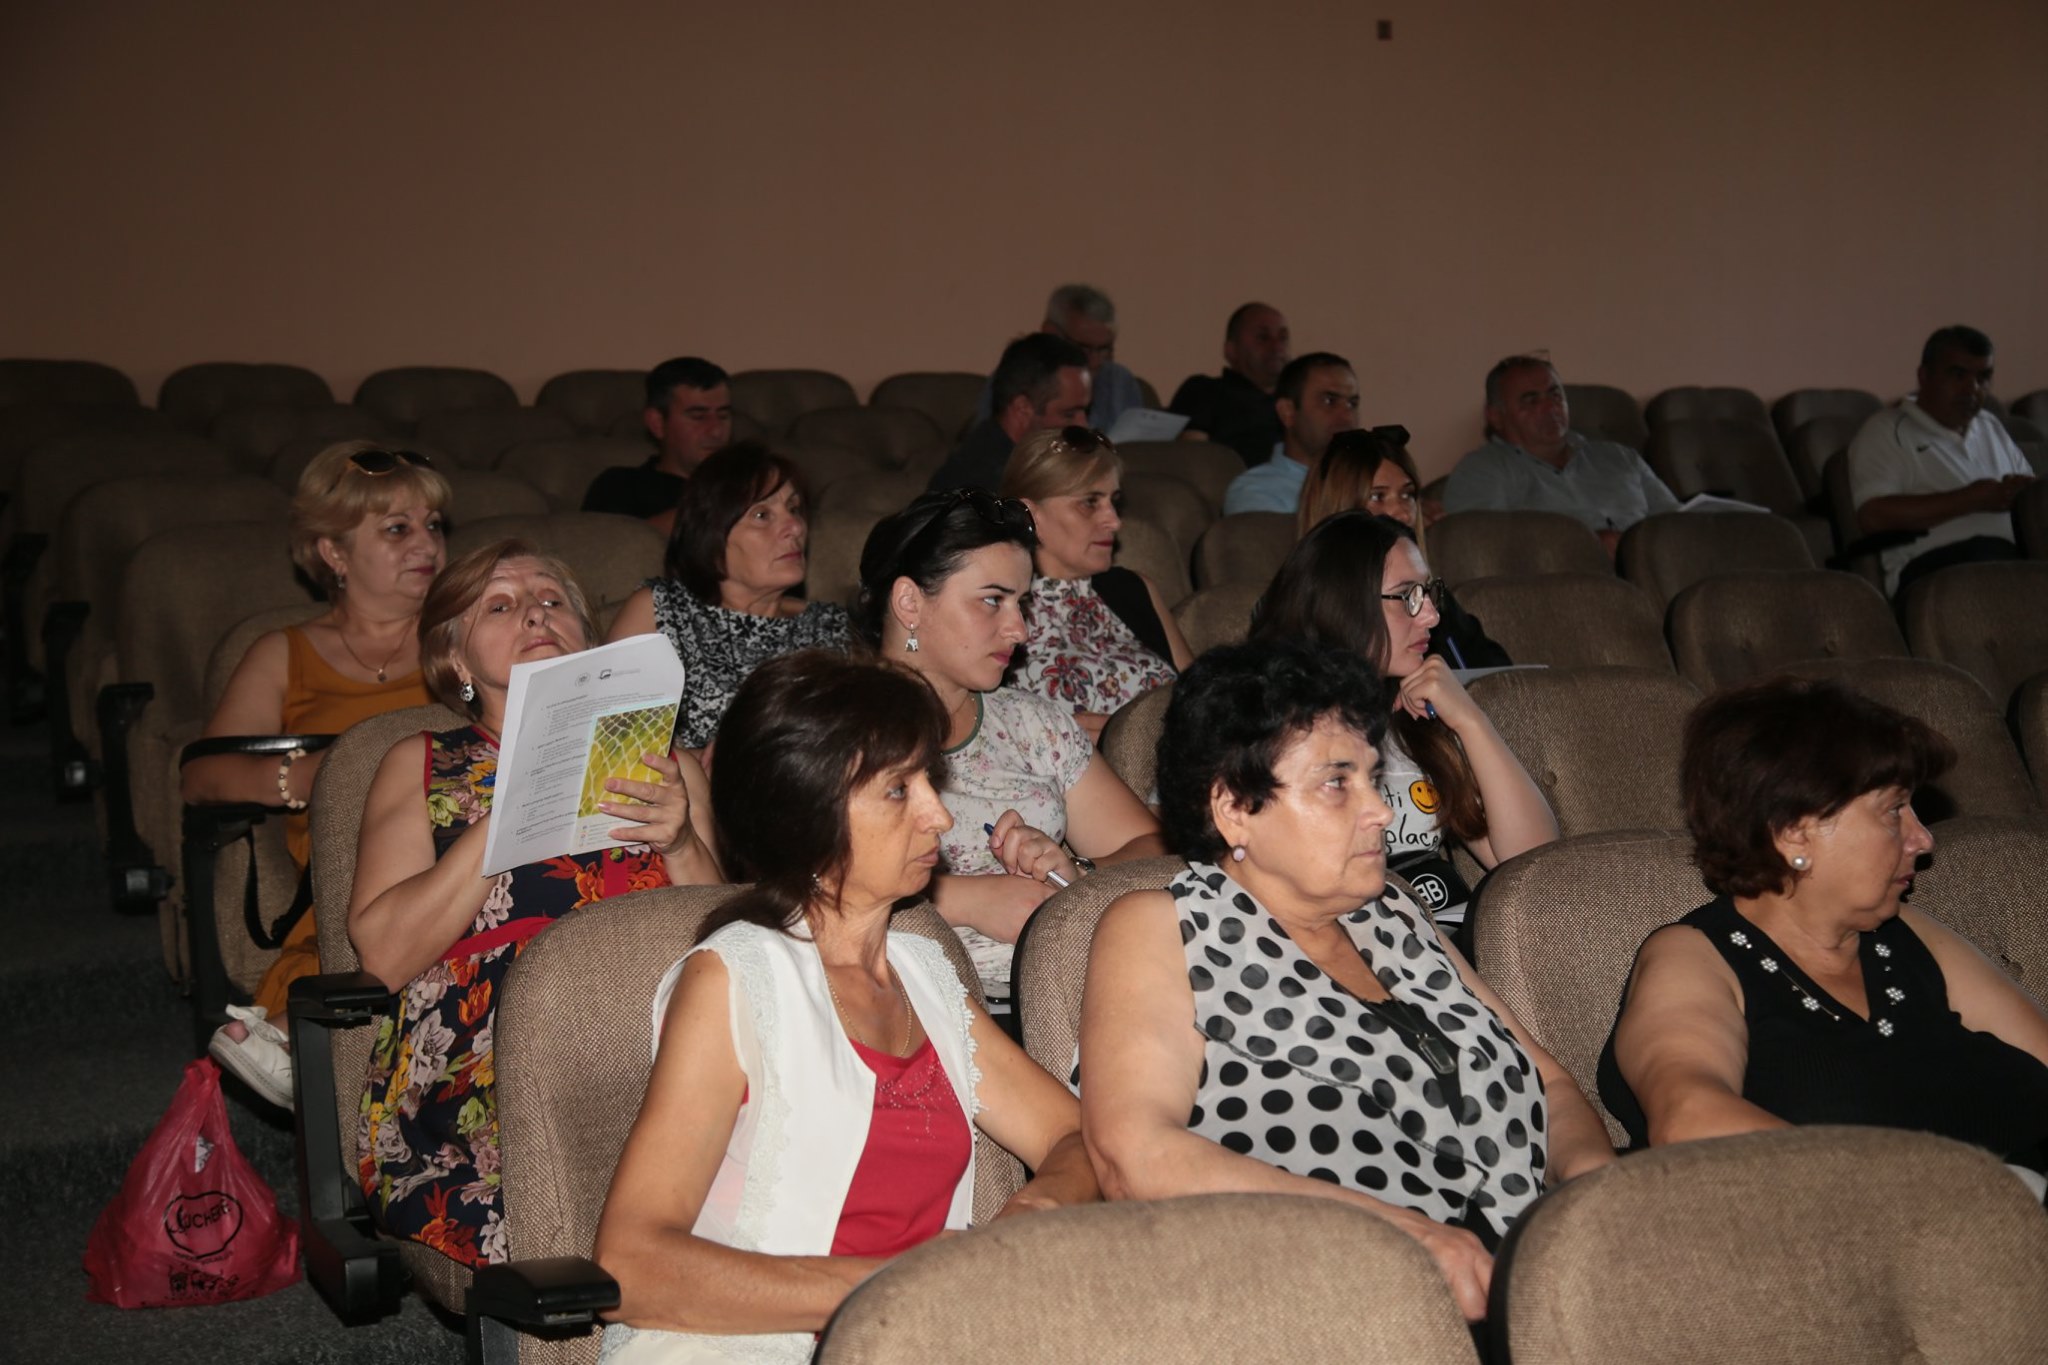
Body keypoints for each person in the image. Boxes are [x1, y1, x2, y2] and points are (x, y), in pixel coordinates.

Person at [1078, 642, 1614, 1323]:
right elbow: (1134, 1156)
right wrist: (1404, 1236)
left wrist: (1597, 1196)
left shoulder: (1393, 913)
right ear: (1234, 807)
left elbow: (1549, 1085)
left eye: (1372, 777)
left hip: (1539, 1282)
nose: (1381, 810)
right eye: (1337, 783)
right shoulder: (1163, 926)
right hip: (1335, 1304)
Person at [592, 652, 1099, 1363]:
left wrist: (1032, 1214)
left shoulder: (925, 976)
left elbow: (1075, 1136)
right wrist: (903, 1284)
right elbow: (630, 1265)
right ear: (808, 813)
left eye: (929, 781)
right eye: (898, 790)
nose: (939, 814)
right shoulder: (736, 977)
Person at [352, 541, 721, 1267]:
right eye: (500, 605)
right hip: (490, 1053)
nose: (534, 614)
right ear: (455, 659)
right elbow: (383, 954)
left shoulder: (666, 764)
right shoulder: (423, 763)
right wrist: (515, 807)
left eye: (553, 600)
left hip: (664, 1025)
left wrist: (679, 840)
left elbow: (727, 937)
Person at [1598, 677, 2048, 1194]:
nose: (1923, 839)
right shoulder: (1694, 958)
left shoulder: (1912, 934)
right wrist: (1940, 1198)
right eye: (1894, 810)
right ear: (1793, 832)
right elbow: (1690, 1120)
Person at [189, 440, 451, 1110]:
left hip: (462, 840)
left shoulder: (466, 637)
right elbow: (203, 778)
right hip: (348, 865)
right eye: (397, 529)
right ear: (333, 552)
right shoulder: (284, 653)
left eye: (433, 525)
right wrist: (306, 776)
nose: (427, 543)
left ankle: (289, 1031)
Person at [856, 490, 1165, 1009]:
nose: (1019, 630)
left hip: (1076, 997)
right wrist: (960, 900)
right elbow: (788, 888)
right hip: (908, 1011)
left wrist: (1073, 869)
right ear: (909, 603)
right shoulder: (831, 728)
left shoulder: (1030, 723)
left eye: (1021, 602)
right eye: (992, 600)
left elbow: (1153, 850)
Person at [1249, 513, 1555, 935]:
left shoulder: (1416, 717)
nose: (1430, 616)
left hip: (1453, 934)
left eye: (1428, 593)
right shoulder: (1266, 723)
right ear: (1344, 605)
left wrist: (1471, 721)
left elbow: (1536, 866)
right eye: (1407, 596)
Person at [607, 442, 850, 751]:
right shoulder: (661, 610)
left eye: (794, 509)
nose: (794, 527)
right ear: (712, 536)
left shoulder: (831, 625)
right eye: (762, 515)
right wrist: (696, 763)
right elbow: (614, 743)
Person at [999, 426, 1192, 738]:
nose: (1114, 521)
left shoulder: (1133, 589)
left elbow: (1204, 707)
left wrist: (1129, 737)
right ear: (1030, 515)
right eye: (1090, 502)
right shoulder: (996, 606)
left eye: (1114, 501)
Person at [1846, 325, 2035, 596]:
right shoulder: (1885, 430)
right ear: (1924, 376)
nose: (1973, 389)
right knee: (1997, 557)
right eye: (1958, 375)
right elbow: (1873, 516)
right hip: (1932, 574)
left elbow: (2030, 498)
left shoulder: (1990, 425)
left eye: (1983, 377)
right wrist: (1972, 499)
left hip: (2011, 559)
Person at [1296, 431, 1510, 669]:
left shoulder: (1431, 599)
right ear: (1338, 507)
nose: (1403, 512)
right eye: (1378, 496)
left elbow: (1497, 672)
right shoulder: (1302, 610)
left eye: (1407, 495)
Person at [1443, 355, 1679, 554]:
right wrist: (1584, 545)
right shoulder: (1481, 471)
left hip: (1654, 572)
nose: (1550, 407)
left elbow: (1676, 524)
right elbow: (1481, 549)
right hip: (1564, 584)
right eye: (1531, 401)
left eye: (1555, 395)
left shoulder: (1620, 457)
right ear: (1495, 416)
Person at [924, 333, 1090, 494]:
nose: (1083, 425)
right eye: (1069, 414)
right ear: (1023, 408)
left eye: (1085, 411)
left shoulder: (1022, 465)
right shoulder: (981, 486)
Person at [583, 357, 734, 533]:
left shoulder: (749, 482)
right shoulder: (620, 486)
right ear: (657, 423)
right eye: (698, 417)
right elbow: (604, 543)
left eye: (723, 416)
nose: (716, 431)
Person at [973, 285, 1147, 432]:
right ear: (1051, 332)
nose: (1095, 362)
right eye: (1084, 348)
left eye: (1104, 350)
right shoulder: (1014, 378)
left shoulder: (1120, 382)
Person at [1221, 352, 1360, 515]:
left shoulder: (1370, 482)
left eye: (1352, 404)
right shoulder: (1256, 492)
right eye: (1329, 401)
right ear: (1287, 412)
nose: (1347, 417)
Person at [1169, 302, 1291, 466]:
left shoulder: (1300, 401)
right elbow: (1190, 461)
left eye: (1283, 338)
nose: (1277, 346)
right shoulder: (1204, 390)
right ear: (1231, 350)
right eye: (1263, 337)